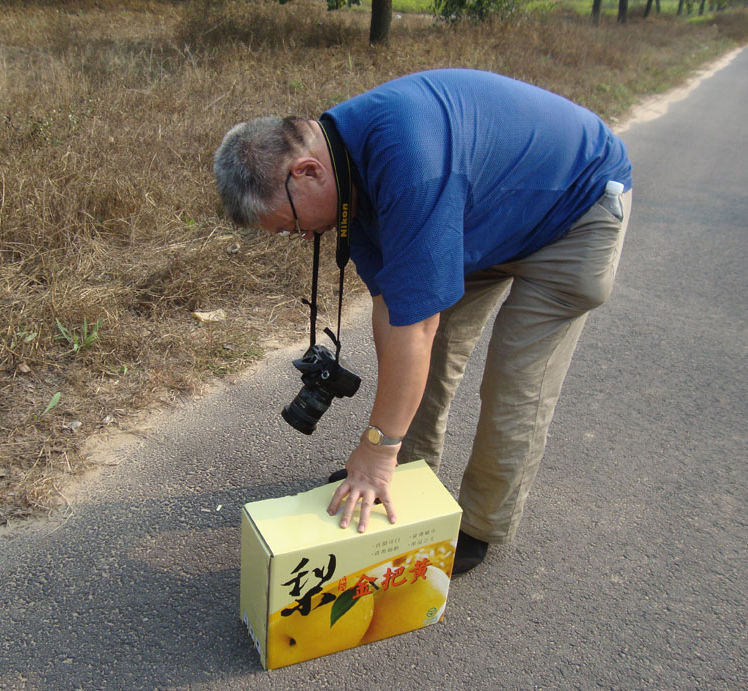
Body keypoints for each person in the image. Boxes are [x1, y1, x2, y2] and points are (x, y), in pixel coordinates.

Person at [213, 69, 632, 575]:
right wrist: (383, 443)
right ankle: (408, 479)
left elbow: (416, 329)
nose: (303, 237)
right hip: (484, 214)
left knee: (515, 384)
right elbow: (393, 309)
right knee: (424, 356)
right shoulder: (346, 173)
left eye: (293, 225)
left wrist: (375, 447)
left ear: (307, 172)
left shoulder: (410, 167)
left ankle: (479, 524)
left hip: (575, 209)